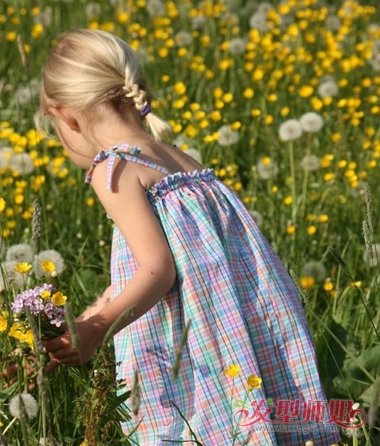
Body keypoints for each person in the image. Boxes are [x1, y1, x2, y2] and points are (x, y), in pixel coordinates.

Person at [37, 29, 342, 446]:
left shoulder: (114, 170)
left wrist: (100, 328)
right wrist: (88, 318)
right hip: (236, 329)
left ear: (68, 117)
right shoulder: (182, 160)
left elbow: (157, 269)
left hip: (191, 348)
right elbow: (154, 262)